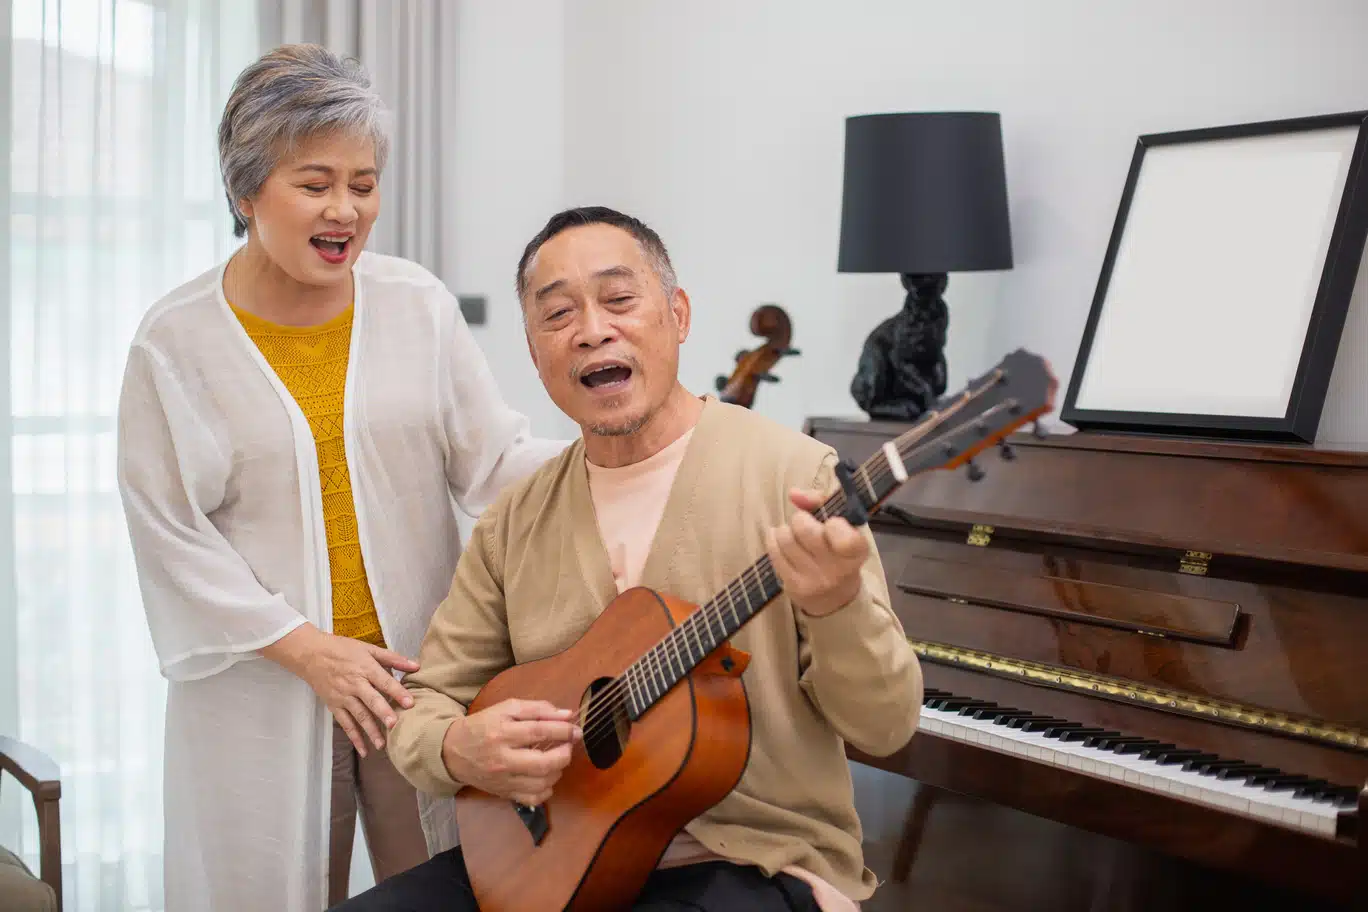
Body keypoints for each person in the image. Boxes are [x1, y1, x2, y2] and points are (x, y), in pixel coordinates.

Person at [334, 206, 924, 912]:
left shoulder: (796, 480)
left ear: (677, 314)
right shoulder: (517, 518)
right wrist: (461, 748)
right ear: (533, 351)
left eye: (619, 299)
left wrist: (836, 605)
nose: (591, 330)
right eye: (557, 316)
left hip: (747, 860)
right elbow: (428, 701)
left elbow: (886, 726)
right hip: (551, 858)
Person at [115, 45, 568, 912]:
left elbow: (495, 463)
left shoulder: (416, 305)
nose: (346, 209)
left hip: (416, 682)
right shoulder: (173, 342)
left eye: (364, 183)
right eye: (314, 182)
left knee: (443, 887)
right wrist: (309, 650)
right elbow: (168, 532)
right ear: (246, 192)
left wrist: (624, 451)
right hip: (263, 687)